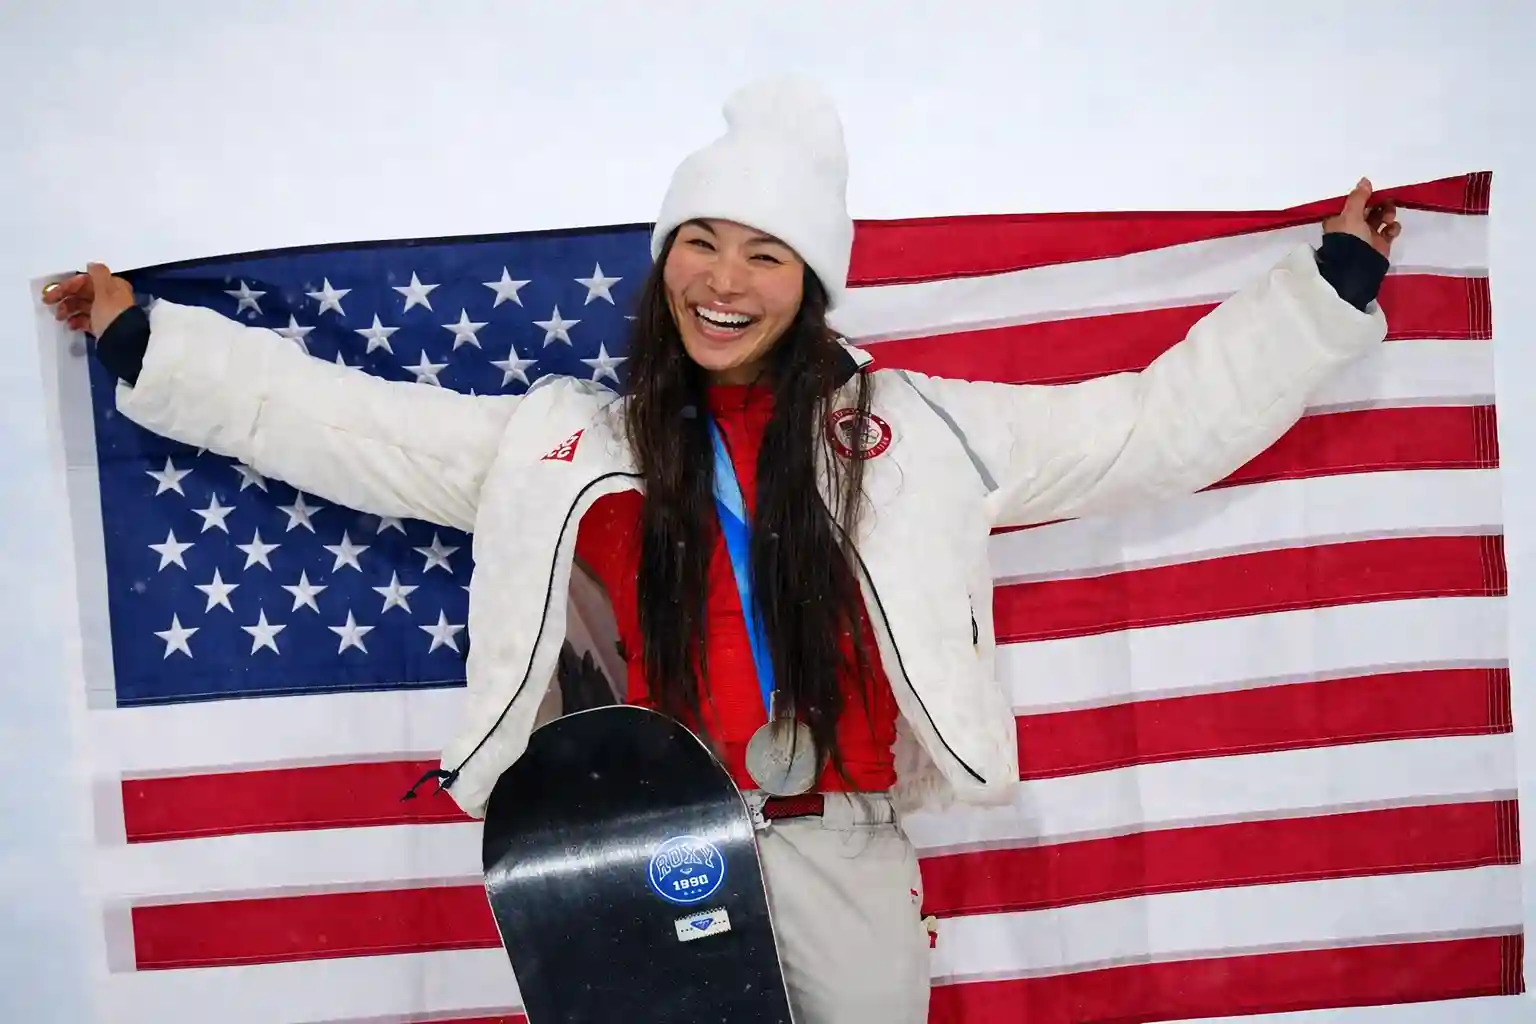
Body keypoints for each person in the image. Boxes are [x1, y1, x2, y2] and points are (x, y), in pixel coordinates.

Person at [43, 75, 1398, 1024]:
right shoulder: (570, 441)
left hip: (846, 839)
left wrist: (1321, 296)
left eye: (763, 251)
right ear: (663, 262)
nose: (724, 278)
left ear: (810, 282)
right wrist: (148, 341)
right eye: (699, 241)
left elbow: (1144, 430)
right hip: (645, 839)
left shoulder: (911, 430)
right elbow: (356, 429)